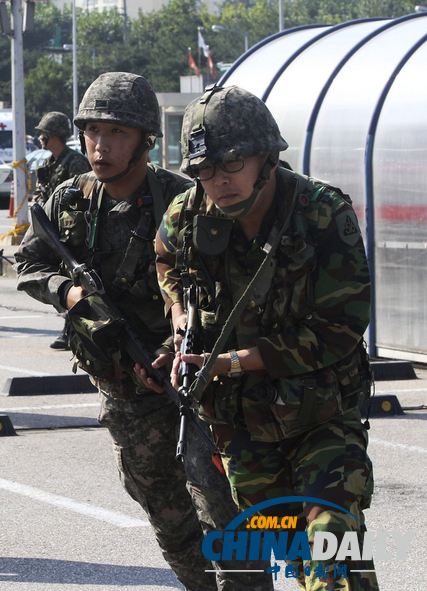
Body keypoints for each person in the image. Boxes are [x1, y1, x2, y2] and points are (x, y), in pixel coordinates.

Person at [15, 72, 272, 591]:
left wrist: (174, 345)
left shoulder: (182, 201)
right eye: (92, 132)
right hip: (124, 388)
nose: (100, 146)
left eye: (118, 134)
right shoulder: (69, 201)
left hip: (196, 378)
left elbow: (224, 291)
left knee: (221, 505)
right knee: (159, 501)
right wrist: (68, 293)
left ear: (145, 140)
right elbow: (29, 266)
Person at [153, 84, 376, 589]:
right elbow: (164, 257)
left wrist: (231, 361)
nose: (219, 181)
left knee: (333, 558)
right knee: (296, 556)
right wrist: (178, 314)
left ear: (267, 158)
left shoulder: (323, 214)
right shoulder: (187, 216)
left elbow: (340, 329)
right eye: (205, 170)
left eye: (231, 164)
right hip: (242, 425)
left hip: (323, 415)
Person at [32, 111, 92, 350]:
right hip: (53, 228)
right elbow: (41, 194)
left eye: (43, 134)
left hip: (73, 230)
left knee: (73, 278)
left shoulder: (75, 162)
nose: (40, 139)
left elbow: (83, 196)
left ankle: (70, 331)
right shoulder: (49, 164)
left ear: (53, 136)